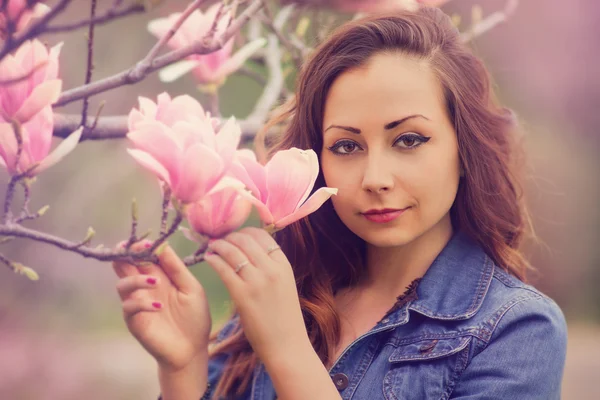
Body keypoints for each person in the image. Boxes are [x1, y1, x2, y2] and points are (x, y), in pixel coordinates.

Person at [112, 6, 568, 400]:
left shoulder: (516, 330)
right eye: (347, 147)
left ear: (464, 150)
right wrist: (183, 367)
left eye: (408, 139)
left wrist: (288, 350)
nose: (375, 179)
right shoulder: (292, 295)